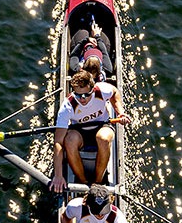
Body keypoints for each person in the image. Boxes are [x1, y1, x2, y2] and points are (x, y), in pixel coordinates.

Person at [49, 64, 129, 193]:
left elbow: (114, 92)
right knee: (69, 140)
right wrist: (58, 175)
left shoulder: (101, 90)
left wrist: (120, 113)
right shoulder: (67, 106)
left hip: (102, 125)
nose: (82, 99)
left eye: (86, 95)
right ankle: (83, 183)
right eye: (78, 95)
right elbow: (58, 142)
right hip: (80, 132)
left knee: (103, 138)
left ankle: (98, 182)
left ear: (93, 88)